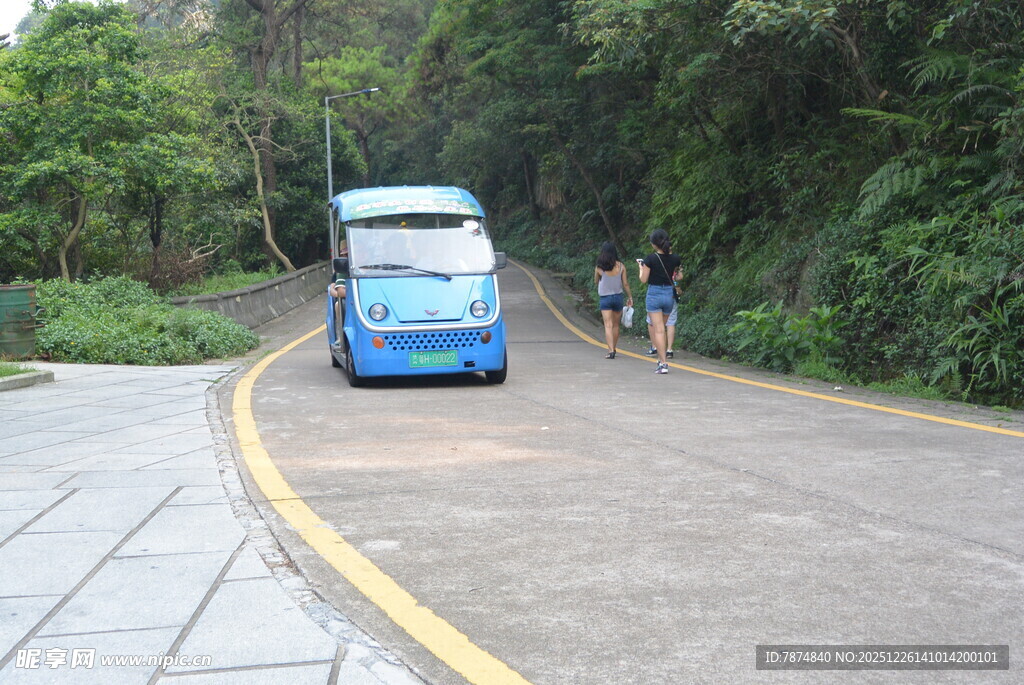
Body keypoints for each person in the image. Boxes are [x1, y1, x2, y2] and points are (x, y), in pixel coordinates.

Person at [637, 229, 681, 374]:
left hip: (654, 295)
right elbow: (678, 276)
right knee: (663, 328)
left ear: (654, 244)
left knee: (659, 330)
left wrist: (640, 267)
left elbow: (643, 280)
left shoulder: (650, 259)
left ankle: (663, 363)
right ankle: (662, 360)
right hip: (669, 295)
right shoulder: (675, 258)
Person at [594, 241, 633, 359]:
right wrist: (630, 296)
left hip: (605, 298)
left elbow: (596, 282)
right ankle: (614, 348)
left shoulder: (599, 267)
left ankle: (610, 350)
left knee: (608, 325)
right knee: (616, 325)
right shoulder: (621, 266)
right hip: (618, 298)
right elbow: (625, 284)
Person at [646, 266, 681, 358]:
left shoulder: (655, 261)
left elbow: (644, 278)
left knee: (652, 322)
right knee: (671, 323)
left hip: (656, 295)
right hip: (671, 296)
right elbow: (680, 277)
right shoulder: (674, 261)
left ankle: (655, 347)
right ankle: (669, 350)